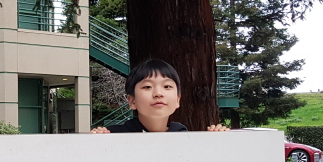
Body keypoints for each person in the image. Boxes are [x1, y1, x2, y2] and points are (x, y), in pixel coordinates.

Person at [90, 59, 229, 133]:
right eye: (147, 87)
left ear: (178, 99)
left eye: (167, 86)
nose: (158, 93)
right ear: (132, 101)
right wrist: (96, 141)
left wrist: (218, 140)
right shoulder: (114, 136)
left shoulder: (183, 136)